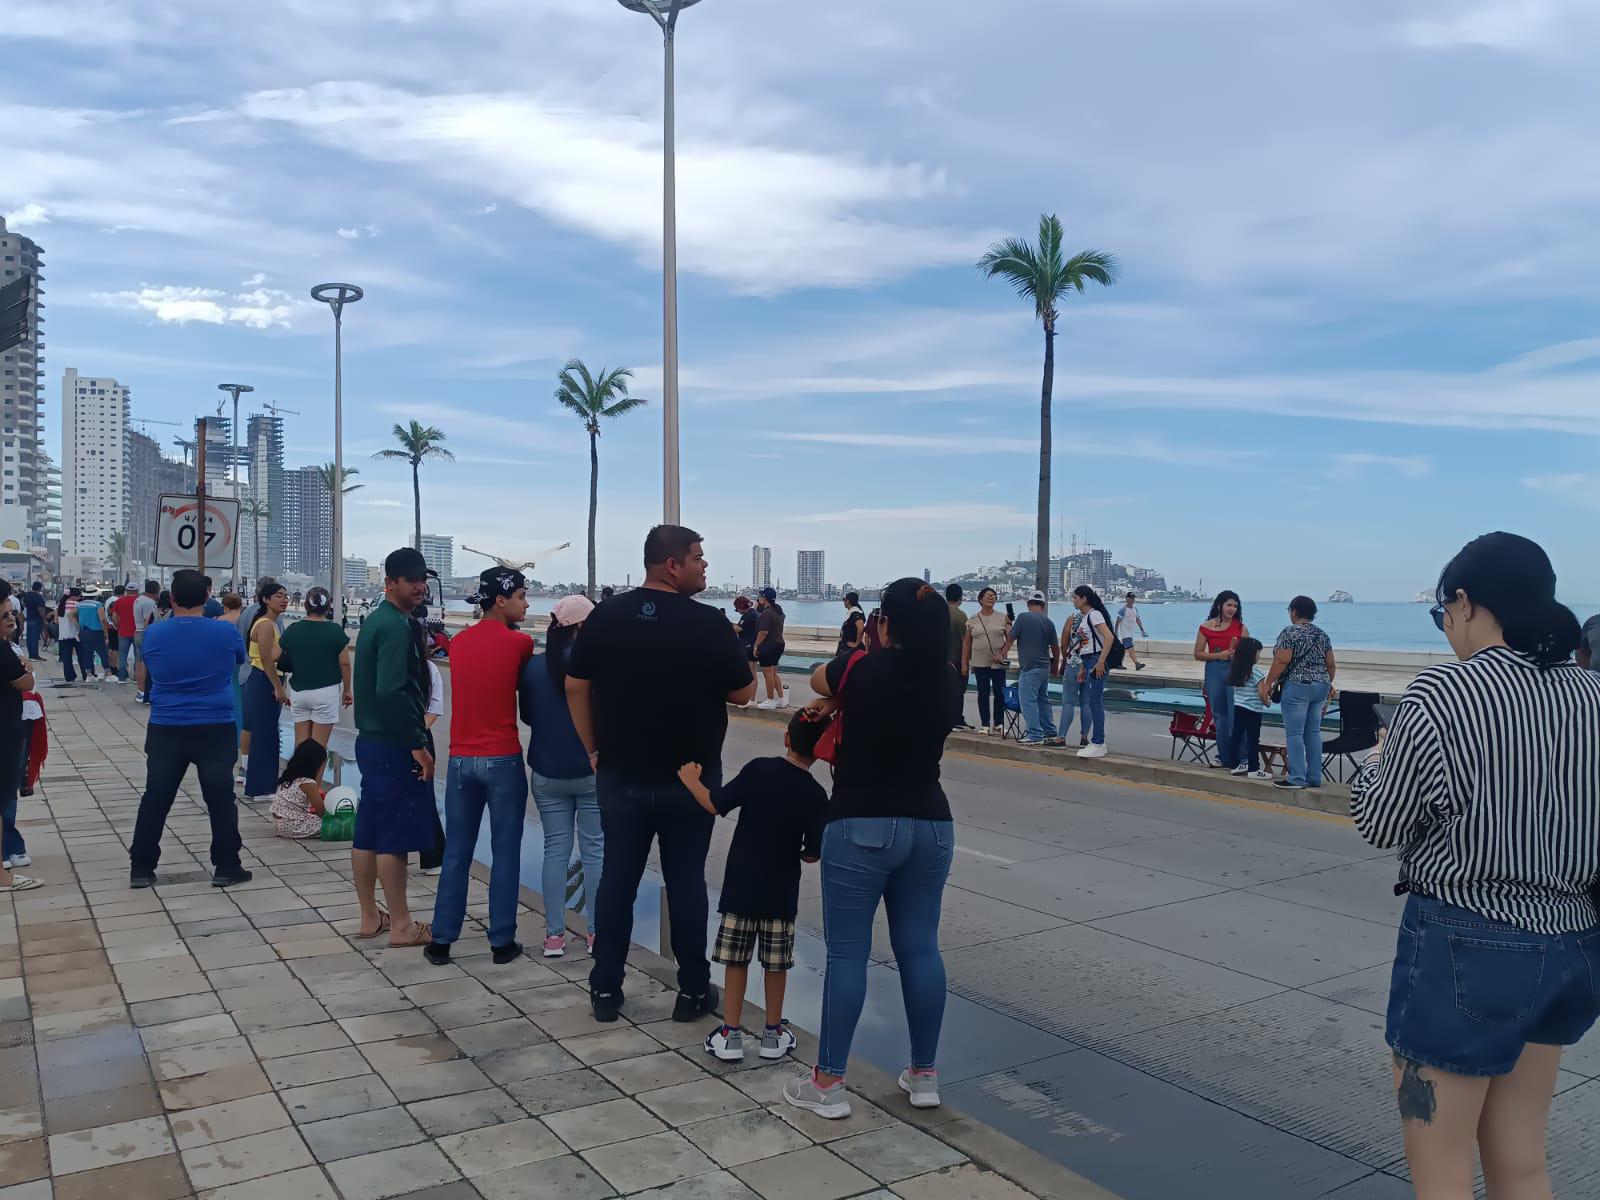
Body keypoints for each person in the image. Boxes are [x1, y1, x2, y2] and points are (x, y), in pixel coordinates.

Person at [1349, 532, 1600, 1199]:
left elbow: (1381, 824)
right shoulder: (1593, 697)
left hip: (1467, 944)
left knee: (1442, 1170)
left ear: (1464, 602)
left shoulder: (1443, 694)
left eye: (1444, 615)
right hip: (1571, 943)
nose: (1448, 629)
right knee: (1522, 1161)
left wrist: (1375, 767)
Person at [566, 524, 756, 1023]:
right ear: (672, 564)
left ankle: (605, 989)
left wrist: (592, 748)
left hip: (621, 774)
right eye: (698, 558)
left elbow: (574, 685)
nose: (704, 566)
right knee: (687, 881)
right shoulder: (710, 623)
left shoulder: (606, 617)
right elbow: (743, 692)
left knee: (617, 881)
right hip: (691, 782)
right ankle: (693, 991)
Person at [784, 578, 955, 1119]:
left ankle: (828, 1084)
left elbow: (816, 677)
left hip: (861, 821)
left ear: (884, 624)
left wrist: (840, 687)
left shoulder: (859, 666)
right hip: (931, 823)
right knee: (921, 948)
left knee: (849, 952)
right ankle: (924, 1076)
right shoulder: (951, 678)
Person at [678, 710, 826, 1063]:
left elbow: (715, 803)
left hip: (741, 888)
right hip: (780, 892)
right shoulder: (816, 794)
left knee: (736, 961)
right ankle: (773, 1034)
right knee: (776, 965)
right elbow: (812, 854)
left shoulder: (759, 769)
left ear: (786, 739)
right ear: (819, 752)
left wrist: (691, 780)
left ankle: (730, 1034)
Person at [425, 567, 535, 967]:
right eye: (522, 595)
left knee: (457, 850)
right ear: (501, 599)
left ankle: (442, 939)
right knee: (505, 851)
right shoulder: (520, 643)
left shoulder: (459, 644)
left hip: (459, 761)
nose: (526, 603)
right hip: (502, 758)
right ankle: (502, 941)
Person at [128, 569, 251, 889]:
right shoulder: (225, 633)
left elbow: (152, 666)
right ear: (207, 596)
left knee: (156, 797)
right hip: (215, 724)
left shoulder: (153, 635)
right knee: (220, 798)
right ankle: (226, 865)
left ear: (171, 597)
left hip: (166, 725)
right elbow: (238, 660)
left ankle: (141, 866)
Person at [351, 547, 436, 948]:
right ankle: (401, 924)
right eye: (411, 580)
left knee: (367, 833)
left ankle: (371, 916)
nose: (420, 586)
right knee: (393, 837)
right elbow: (393, 689)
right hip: (392, 743)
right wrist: (417, 742)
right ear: (391, 583)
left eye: (423, 579)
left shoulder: (375, 622)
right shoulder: (397, 626)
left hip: (371, 740)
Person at [520, 594, 603, 958]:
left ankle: (554, 936)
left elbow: (528, 717)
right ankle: (596, 934)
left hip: (547, 769)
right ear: (584, 627)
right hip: (591, 770)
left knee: (556, 850)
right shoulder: (598, 667)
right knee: (594, 852)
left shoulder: (534, 667)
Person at [1258, 596, 1335, 790]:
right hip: (1321, 686)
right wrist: (1326, 683)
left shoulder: (1290, 632)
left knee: (1294, 733)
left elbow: (1282, 660)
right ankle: (1315, 777)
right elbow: (1331, 665)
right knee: (1313, 732)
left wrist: (1268, 683)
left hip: (1298, 686)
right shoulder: (1322, 635)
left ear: (1293, 611)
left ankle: (1297, 778)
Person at [278, 586, 352, 747]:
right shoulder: (335, 630)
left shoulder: (293, 629)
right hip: (326, 693)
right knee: (318, 748)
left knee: (301, 745)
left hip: (298, 692)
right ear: (328, 606)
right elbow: (345, 663)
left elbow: (272, 657)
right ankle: (315, 774)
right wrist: (347, 689)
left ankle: (300, 773)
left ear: (305, 606)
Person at [242, 579, 291, 799]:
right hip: (263, 680)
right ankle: (260, 788)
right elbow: (266, 659)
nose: (284, 600)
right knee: (264, 735)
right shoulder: (265, 625)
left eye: (286, 596)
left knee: (267, 734)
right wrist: (278, 687)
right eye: (279, 596)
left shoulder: (269, 623)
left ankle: (263, 785)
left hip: (263, 679)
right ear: (265, 599)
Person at [1193, 591, 1249, 771]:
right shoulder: (1205, 627)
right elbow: (1198, 654)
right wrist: (1220, 655)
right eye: (1229, 605)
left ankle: (1243, 758)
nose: (1232, 609)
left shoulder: (1241, 628)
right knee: (1219, 717)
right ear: (1220, 605)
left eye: (1235, 606)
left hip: (1235, 672)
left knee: (1236, 715)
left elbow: (1250, 654)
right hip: (1214, 672)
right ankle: (1223, 757)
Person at [997, 591, 1059, 747]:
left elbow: (1010, 638)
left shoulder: (1023, 617)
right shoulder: (1049, 622)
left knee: (1028, 702)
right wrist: (1055, 667)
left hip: (1030, 668)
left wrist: (1000, 654)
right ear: (1043, 606)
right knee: (1042, 700)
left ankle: (1035, 734)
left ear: (1028, 604)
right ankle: (1050, 731)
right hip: (1044, 668)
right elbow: (1056, 648)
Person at [0, 609, 34, 872]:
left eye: (12, 614)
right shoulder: (5, 650)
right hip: (6, 726)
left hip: (12, 721)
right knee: (6, 788)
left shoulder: (10, 646)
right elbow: (24, 683)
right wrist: (27, 671)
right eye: (4, 615)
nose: (11, 619)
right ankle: (10, 846)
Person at [1069, 585, 1117, 758]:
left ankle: (1098, 742)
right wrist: (1083, 666)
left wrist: (1101, 661)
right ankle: (1096, 742)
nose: (1073, 601)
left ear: (1084, 599)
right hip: (1089, 661)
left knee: (1095, 703)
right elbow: (1086, 645)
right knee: (1092, 702)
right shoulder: (1086, 617)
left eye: (1075, 598)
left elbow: (1109, 637)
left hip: (1096, 661)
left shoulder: (1094, 614)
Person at [961, 587, 1010, 735]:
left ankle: (999, 723)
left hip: (998, 661)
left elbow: (1009, 639)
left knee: (999, 692)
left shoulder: (1003, 617)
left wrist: (1002, 653)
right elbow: (967, 643)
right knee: (982, 692)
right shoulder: (972, 619)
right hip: (979, 662)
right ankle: (984, 724)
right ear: (981, 599)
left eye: (994, 596)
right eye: (988, 595)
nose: (991, 597)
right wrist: (964, 662)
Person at [1225, 637, 1274, 779]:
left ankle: (1234, 765)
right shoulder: (1257, 672)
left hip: (1239, 707)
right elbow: (1261, 693)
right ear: (1251, 654)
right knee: (1253, 739)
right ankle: (1254, 769)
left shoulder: (1237, 670)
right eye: (1258, 653)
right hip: (1253, 710)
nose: (1259, 656)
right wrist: (1267, 702)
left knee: (1236, 736)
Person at [271, 739, 328, 840]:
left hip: (279, 825)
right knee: (334, 825)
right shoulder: (308, 783)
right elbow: (322, 812)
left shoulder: (288, 778)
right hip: (294, 826)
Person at [753, 588, 788, 709]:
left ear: (765, 598)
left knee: (767, 674)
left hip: (769, 645)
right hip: (779, 644)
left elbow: (763, 632)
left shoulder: (767, 613)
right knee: (773, 673)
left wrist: (756, 645)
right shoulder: (778, 611)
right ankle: (782, 699)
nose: (759, 598)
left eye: (761, 596)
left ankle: (770, 700)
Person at [944, 584, 971, 730]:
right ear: (961, 597)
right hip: (957, 658)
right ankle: (957, 719)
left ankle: (953, 718)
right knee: (959, 691)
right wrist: (965, 662)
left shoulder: (939, 613)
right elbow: (965, 641)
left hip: (942, 659)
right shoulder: (960, 616)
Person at [131, 580, 159, 703]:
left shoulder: (138, 600)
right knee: (145, 664)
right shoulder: (149, 602)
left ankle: (140, 691)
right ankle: (143, 691)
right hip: (145, 633)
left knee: (138, 662)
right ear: (155, 590)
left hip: (138, 632)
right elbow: (147, 620)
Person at [110, 585, 138, 682]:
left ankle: (122, 678)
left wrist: (118, 626)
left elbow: (114, 617)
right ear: (137, 590)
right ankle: (137, 678)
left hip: (123, 632)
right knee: (138, 656)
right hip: (138, 632)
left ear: (126, 590)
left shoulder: (119, 601)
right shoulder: (139, 601)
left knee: (122, 657)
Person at [1115, 592, 1148, 672]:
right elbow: (1117, 623)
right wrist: (1115, 633)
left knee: (1123, 649)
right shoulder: (1122, 610)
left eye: (1134, 598)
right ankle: (1137, 664)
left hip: (1131, 633)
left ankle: (1119, 664)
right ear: (1127, 599)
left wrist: (1142, 631)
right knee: (1131, 649)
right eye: (1131, 598)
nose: (1133, 600)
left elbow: (1137, 620)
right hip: (1125, 634)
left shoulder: (1135, 609)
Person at [56, 588, 81, 685]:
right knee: (81, 656)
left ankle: (69, 676)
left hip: (63, 635)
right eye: (78, 596)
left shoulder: (59, 605)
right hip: (75, 635)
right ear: (73, 596)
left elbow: (57, 621)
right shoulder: (76, 605)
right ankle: (85, 674)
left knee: (66, 658)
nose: (79, 598)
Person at [22, 582, 46, 663]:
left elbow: (24, 605)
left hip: (29, 618)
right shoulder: (38, 597)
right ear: (39, 588)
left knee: (29, 638)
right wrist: (44, 618)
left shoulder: (27, 595)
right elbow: (41, 609)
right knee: (35, 638)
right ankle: (35, 655)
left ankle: (31, 655)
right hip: (37, 619)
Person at [837, 592, 866, 657]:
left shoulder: (855, 613)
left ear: (848, 601)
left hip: (849, 649)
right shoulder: (853, 612)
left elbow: (861, 628)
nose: (843, 601)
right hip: (846, 647)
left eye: (844, 599)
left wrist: (856, 644)